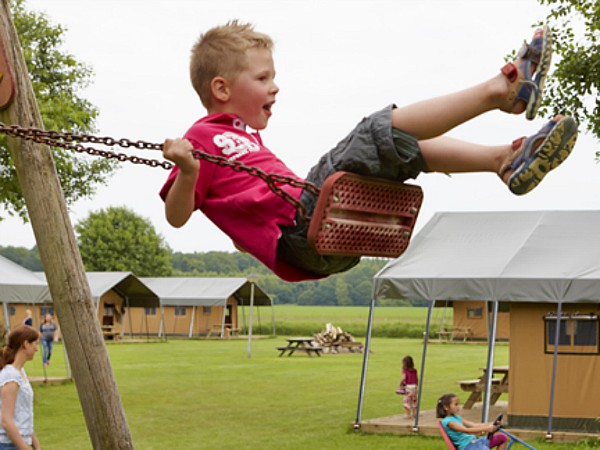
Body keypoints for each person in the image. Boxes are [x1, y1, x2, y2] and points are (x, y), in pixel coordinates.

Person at [160, 22, 578, 283]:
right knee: (375, 131)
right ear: (222, 88)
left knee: (401, 146)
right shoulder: (200, 139)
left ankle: (502, 160)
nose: (275, 86)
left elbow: (242, 204)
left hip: (317, 239)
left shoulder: (245, 138)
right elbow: (177, 217)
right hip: (300, 231)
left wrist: (245, 234)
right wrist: (188, 171)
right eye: (263, 77)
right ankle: (500, 91)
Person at [0, 326, 42, 450]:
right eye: (35, 344)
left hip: (17, 443)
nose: (37, 349)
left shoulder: (20, 372)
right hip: (8, 445)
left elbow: (24, 414)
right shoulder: (10, 375)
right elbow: (6, 421)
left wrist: (36, 445)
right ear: (25, 344)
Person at [437, 393, 507, 450]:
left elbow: (474, 425)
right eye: (456, 404)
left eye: (458, 404)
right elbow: (466, 430)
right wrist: (487, 428)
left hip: (476, 442)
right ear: (446, 407)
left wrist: (492, 423)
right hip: (468, 446)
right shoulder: (449, 422)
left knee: (502, 438)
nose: (458, 407)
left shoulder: (456, 417)